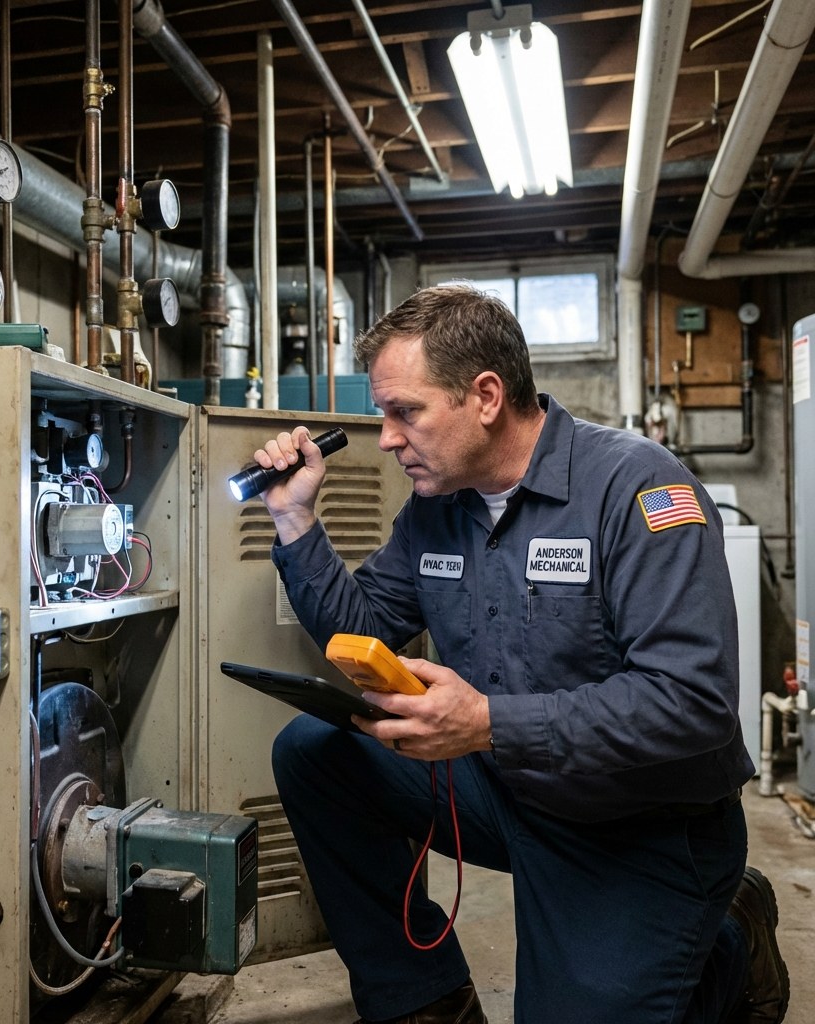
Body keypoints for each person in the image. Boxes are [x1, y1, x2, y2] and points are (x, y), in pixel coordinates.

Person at [248, 284, 789, 1024]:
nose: (386, 438)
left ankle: (729, 939)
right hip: (513, 795)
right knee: (315, 751)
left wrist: (489, 722)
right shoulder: (439, 508)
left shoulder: (635, 488)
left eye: (405, 411)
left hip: (643, 827)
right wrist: (294, 520)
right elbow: (364, 629)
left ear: (486, 395)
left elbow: (690, 704)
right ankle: (423, 996)